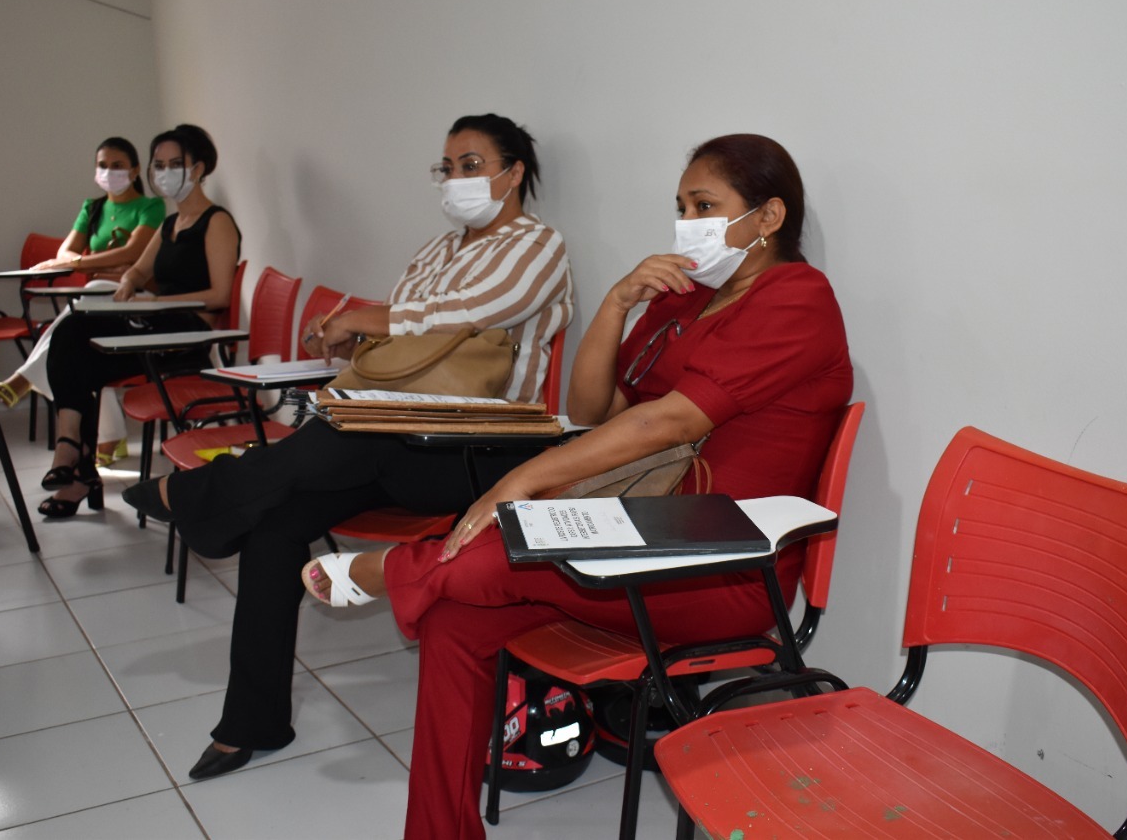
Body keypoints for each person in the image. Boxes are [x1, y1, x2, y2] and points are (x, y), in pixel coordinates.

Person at [298, 133, 853, 838]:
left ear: (769, 216)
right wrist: (618, 302)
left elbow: (671, 420)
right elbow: (592, 410)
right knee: (454, 618)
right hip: (634, 534)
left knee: (493, 554)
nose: (687, 223)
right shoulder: (686, 298)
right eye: (681, 206)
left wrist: (520, 481)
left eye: (704, 205)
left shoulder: (798, 297)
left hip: (718, 566)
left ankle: (398, 568)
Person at [120, 113, 574, 781]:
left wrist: (366, 318)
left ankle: (201, 494)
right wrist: (351, 335)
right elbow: (406, 350)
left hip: (477, 449)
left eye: (471, 165)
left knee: (337, 441)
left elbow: (464, 316)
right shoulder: (436, 250)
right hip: (392, 436)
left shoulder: (539, 245)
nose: (455, 178)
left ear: (513, 174)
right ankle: (252, 723)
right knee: (276, 522)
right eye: (447, 167)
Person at [38, 124, 239, 518]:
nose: (164, 173)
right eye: (158, 165)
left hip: (186, 336)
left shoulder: (216, 222)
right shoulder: (171, 224)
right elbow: (139, 269)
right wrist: (130, 282)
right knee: (72, 338)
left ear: (198, 168)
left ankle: (74, 459)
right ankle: (75, 455)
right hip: (156, 325)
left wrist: (159, 301)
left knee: (77, 343)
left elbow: (220, 295)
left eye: (174, 164)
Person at [0, 137, 166, 465]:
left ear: (134, 171)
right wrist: (99, 265)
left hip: (137, 297)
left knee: (84, 307)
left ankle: (26, 377)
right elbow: (65, 252)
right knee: (81, 342)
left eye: (117, 166)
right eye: (102, 165)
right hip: (99, 298)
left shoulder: (150, 207)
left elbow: (133, 254)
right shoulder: (93, 207)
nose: (109, 172)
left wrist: (86, 264)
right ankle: (110, 437)